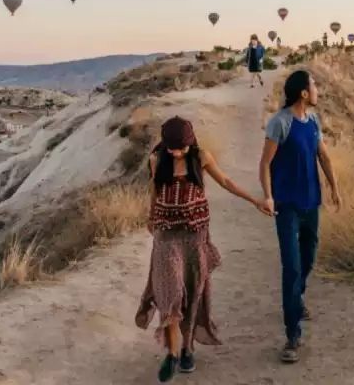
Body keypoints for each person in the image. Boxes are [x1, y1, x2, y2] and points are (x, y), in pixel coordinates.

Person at [137, 117, 271, 382]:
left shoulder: (200, 157)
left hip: (195, 236)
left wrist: (255, 200)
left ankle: (187, 349)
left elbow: (226, 181)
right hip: (166, 237)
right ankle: (172, 354)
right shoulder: (157, 160)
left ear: (190, 143)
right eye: (172, 148)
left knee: (193, 293)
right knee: (170, 293)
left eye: (182, 148)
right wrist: (152, 217)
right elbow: (155, 190)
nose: (177, 152)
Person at [259, 70, 341, 364]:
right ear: (304, 93)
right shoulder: (280, 123)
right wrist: (268, 196)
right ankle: (292, 335)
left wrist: (334, 188)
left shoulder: (314, 121)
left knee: (309, 258)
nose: (317, 89)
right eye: (314, 86)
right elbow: (265, 164)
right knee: (291, 268)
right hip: (287, 207)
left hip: (311, 204)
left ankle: (297, 298)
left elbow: (324, 156)